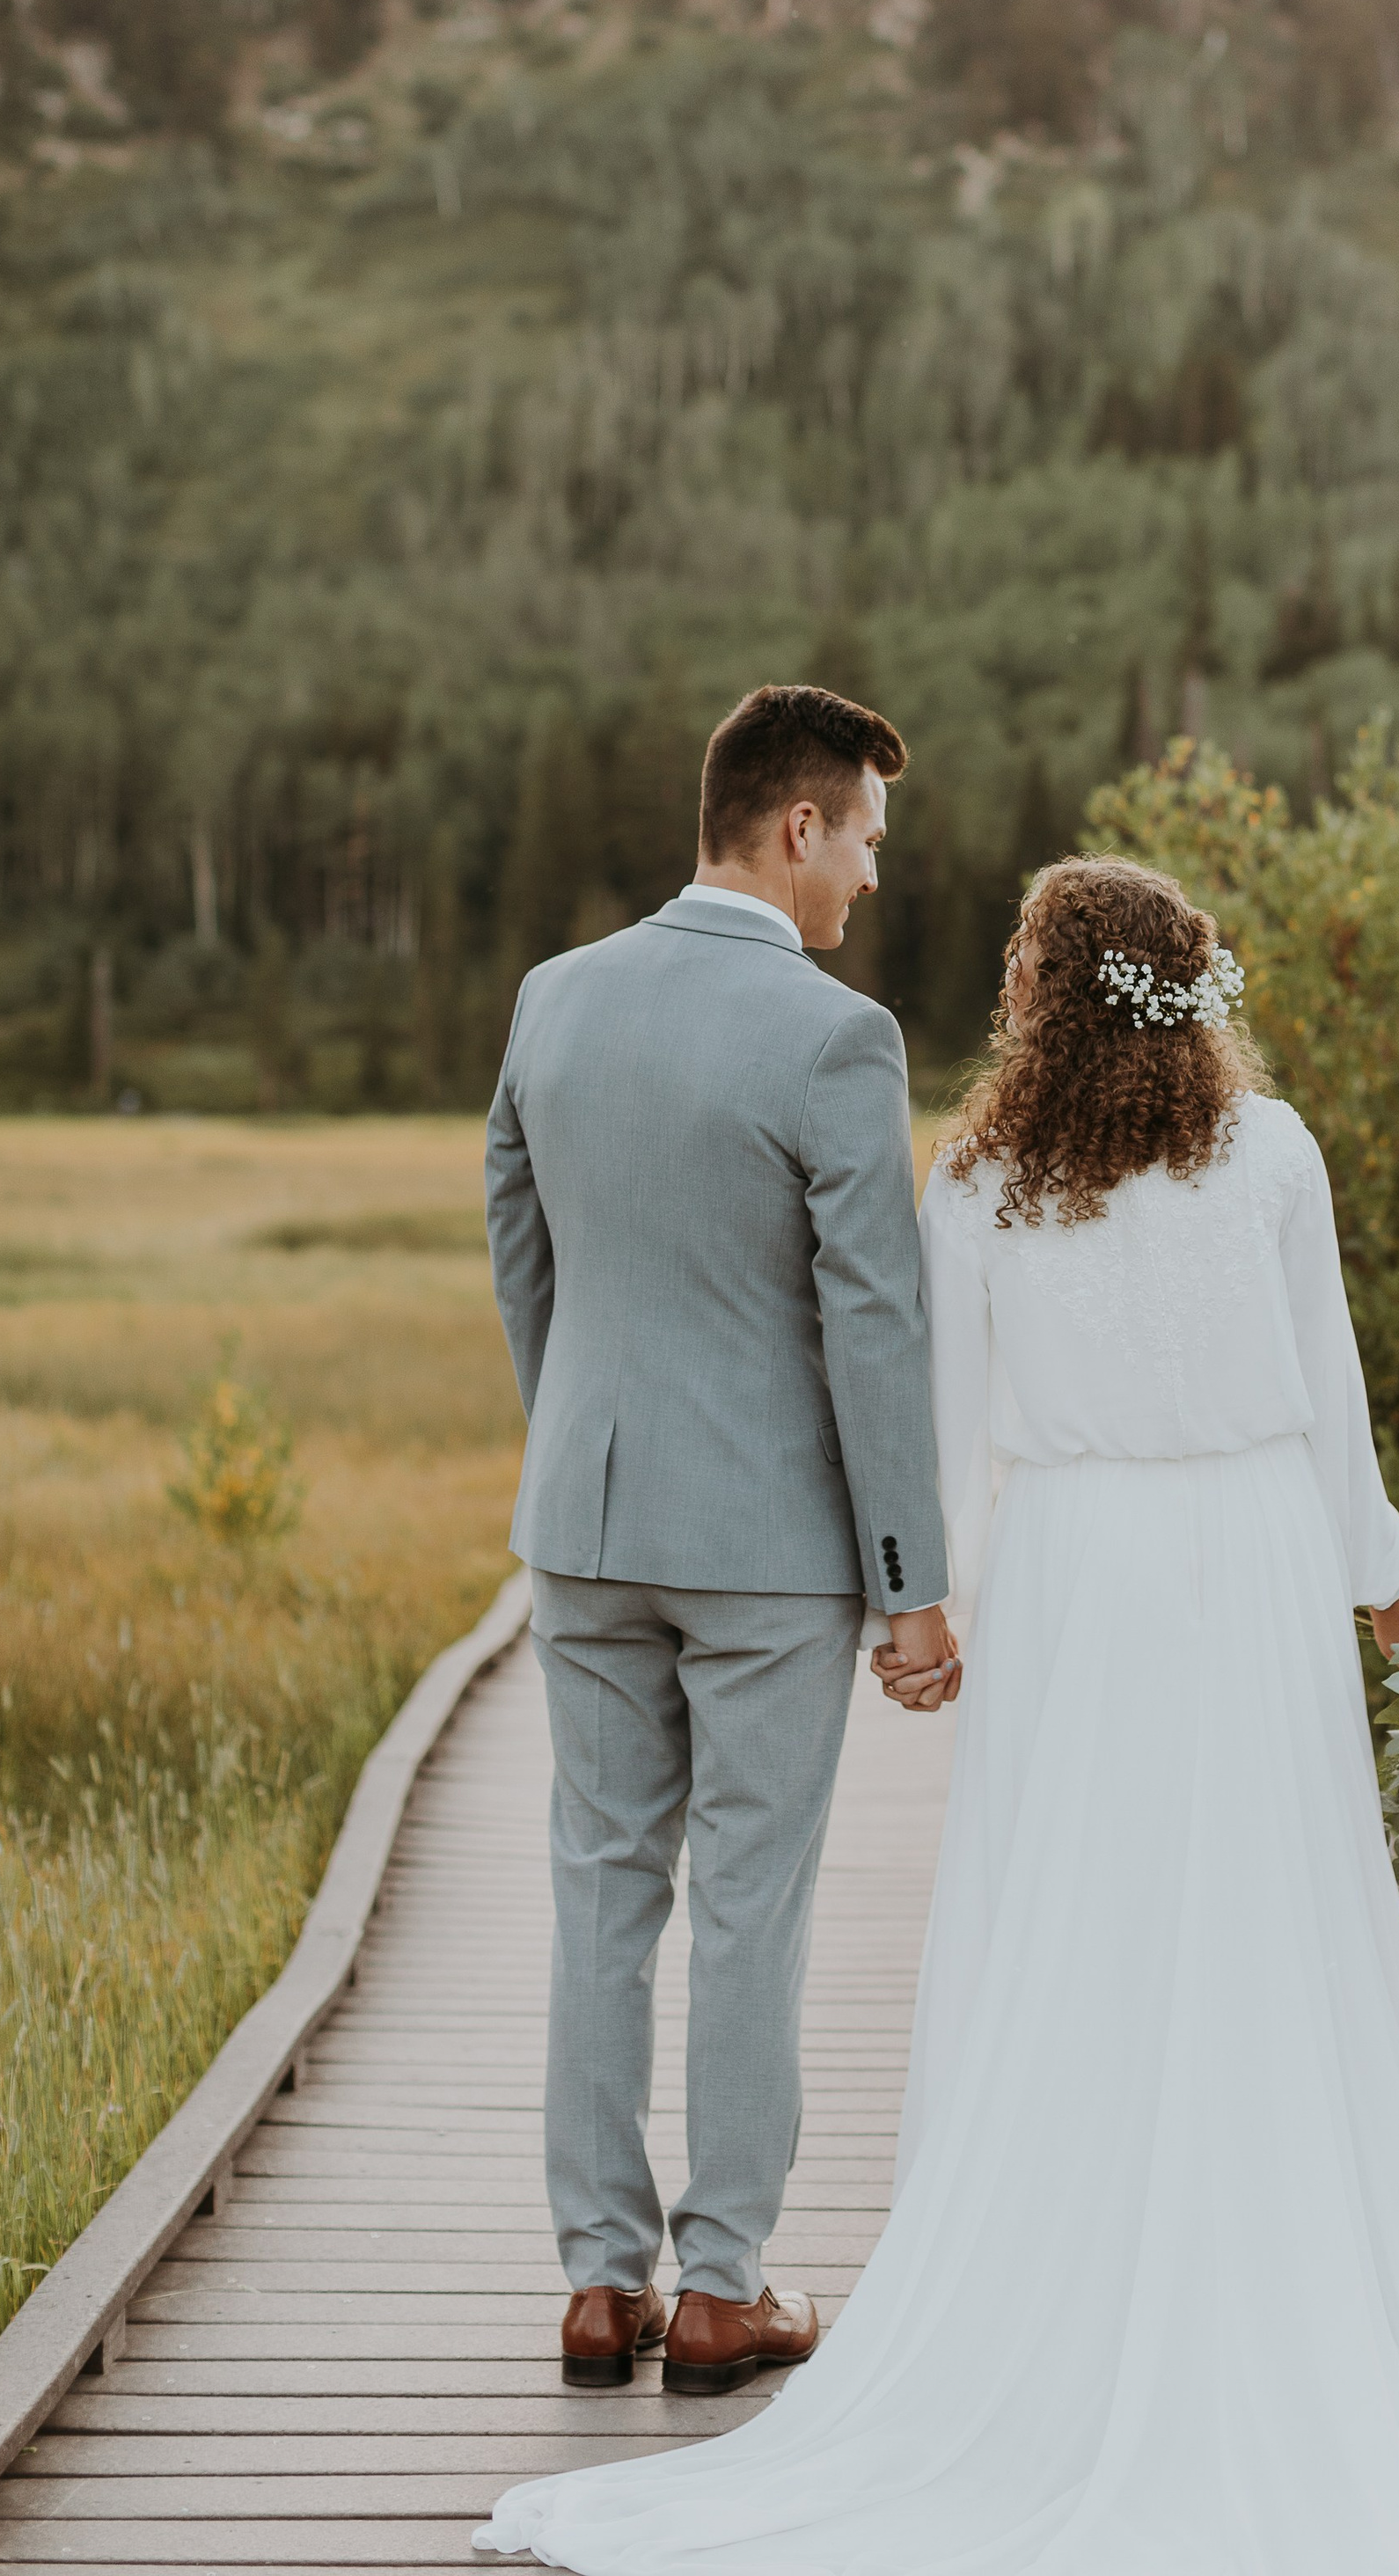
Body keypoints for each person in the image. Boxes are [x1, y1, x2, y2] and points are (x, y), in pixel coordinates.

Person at [481, 854, 1399, 2572]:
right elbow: (1330, 1407)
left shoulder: (980, 1179)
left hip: (1078, 1570)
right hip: (1249, 1558)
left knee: (1066, 1919)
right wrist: (1393, 1588)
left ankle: (1017, 2267)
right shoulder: (1267, 1152)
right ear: (1190, 995)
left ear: (1037, 1001)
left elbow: (940, 1404)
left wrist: (918, 1605)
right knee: (1264, 1914)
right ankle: (1262, 2255)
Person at [484, 684, 960, 2405]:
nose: (870, 885)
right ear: (795, 828)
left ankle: (597, 2284)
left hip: (584, 1526)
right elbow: (872, 1320)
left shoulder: (554, 1002)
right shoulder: (837, 1037)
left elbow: (515, 1241)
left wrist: (579, 1438)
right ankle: (722, 2289)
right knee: (750, 1901)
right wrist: (907, 1585)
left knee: (599, 1885)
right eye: (864, 845)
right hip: (766, 1547)